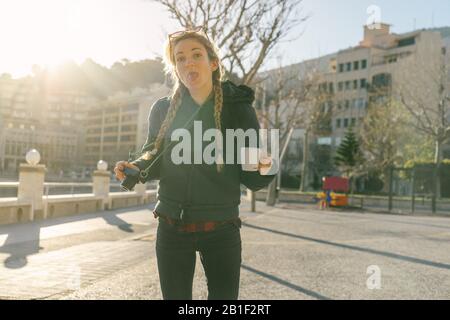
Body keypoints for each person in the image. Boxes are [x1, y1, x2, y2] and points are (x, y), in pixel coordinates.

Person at [114, 26, 277, 300]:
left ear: (213, 63)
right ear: (176, 68)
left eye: (196, 54)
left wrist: (266, 166)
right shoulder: (163, 109)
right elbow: (153, 153)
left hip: (222, 226)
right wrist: (135, 168)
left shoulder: (238, 108)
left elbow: (252, 177)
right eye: (180, 58)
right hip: (172, 225)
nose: (187, 61)